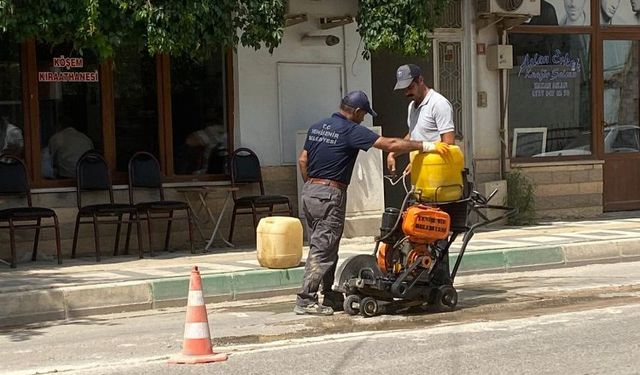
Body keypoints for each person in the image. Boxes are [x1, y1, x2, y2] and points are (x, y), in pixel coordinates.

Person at [295, 90, 450, 316]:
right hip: (330, 194)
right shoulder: (350, 130)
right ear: (356, 112)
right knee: (324, 247)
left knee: (325, 245)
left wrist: (312, 184)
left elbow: (302, 159)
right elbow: (390, 144)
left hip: (310, 192)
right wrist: (426, 146)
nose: (364, 119)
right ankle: (305, 299)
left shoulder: (318, 126)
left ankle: (328, 295)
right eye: (364, 115)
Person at [386, 64, 456, 175]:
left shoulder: (438, 104)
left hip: (437, 174)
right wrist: (392, 153)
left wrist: (420, 163)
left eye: (410, 87)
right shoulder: (411, 106)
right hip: (420, 175)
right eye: (404, 90)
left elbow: (449, 144)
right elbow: (412, 135)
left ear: (420, 80)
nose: (407, 93)